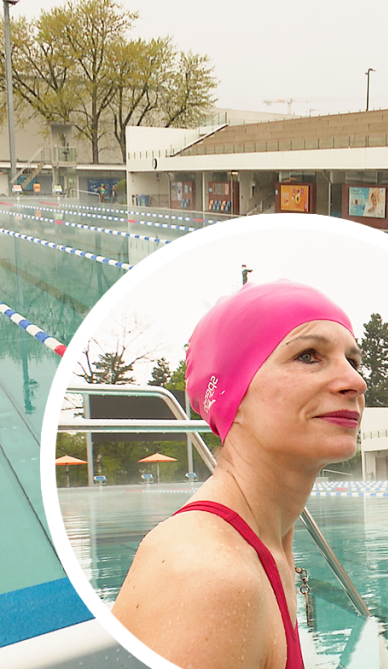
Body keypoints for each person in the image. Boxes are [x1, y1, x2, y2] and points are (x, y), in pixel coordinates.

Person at [112, 280, 366, 669]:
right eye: (309, 355)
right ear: (234, 394)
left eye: (353, 361)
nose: (355, 382)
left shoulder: (265, 545)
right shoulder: (208, 576)